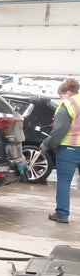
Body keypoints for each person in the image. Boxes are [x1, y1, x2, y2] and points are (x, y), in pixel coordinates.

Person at [40, 77, 80, 223]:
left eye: (61, 95)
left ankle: (62, 214)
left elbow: (59, 130)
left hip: (69, 148)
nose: (60, 98)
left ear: (68, 93)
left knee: (64, 181)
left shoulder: (68, 104)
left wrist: (46, 144)